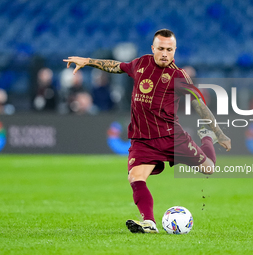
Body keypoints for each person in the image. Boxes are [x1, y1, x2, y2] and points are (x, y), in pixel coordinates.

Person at [63, 29, 231, 234]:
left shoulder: (179, 76)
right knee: (135, 177)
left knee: (209, 168)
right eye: (160, 49)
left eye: (169, 50)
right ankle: (149, 223)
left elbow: (199, 105)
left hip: (171, 138)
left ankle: (207, 137)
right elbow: (116, 66)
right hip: (142, 139)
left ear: (174, 50)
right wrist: (88, 61)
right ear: (153, 48)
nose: (164, 54)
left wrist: (219, 133)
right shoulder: (140, 64)